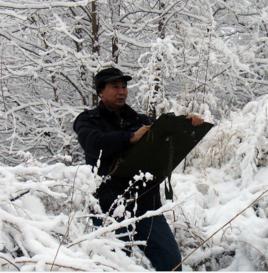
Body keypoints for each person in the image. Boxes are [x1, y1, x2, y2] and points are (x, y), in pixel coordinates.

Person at [73, 67, 204, 271]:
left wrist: (188, 123)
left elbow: (166, 132)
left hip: (146, 204)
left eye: (124, 86)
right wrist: (130, 137)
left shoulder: (140, 120)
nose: (122, 91)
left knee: (172, 263)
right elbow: (93, 142)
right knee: (113, 267)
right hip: (108, 208)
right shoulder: (88, 120)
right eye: (115, 87)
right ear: (100, 91)